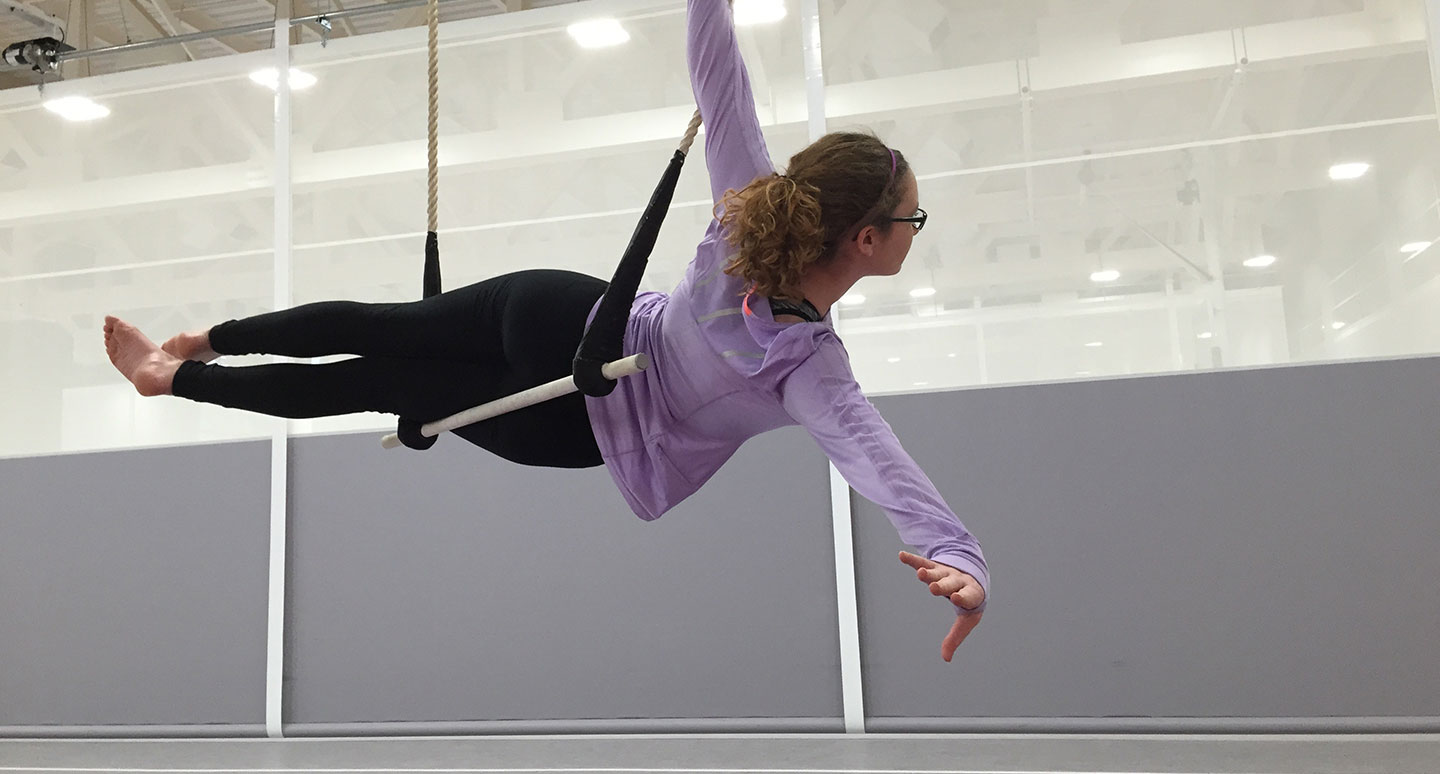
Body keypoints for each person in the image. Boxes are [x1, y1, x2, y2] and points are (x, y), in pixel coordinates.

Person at [103, 0, 989, 660]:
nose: (916, 229)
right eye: (916, 219)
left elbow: (721, 78)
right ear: (867, 242)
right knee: (374, 381)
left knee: (385, 329)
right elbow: (879, 464)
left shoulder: (749, 205)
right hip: (576, 413)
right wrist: (960, 560)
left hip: (563, 312)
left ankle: (202, 342)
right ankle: (176, 378)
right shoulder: (809, 372)